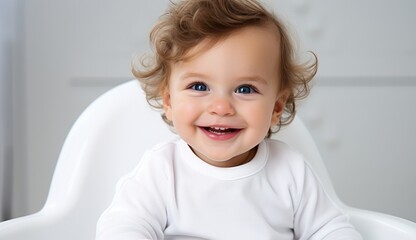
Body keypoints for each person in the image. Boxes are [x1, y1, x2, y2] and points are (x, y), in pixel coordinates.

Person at [96, 0, 362, 239]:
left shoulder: (290, 171)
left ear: (276, 108)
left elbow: (329, 228)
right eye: (199, 86)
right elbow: (124, 225)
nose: (221, 107)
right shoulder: (162, 171)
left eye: (245, 89)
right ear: (168, 101)